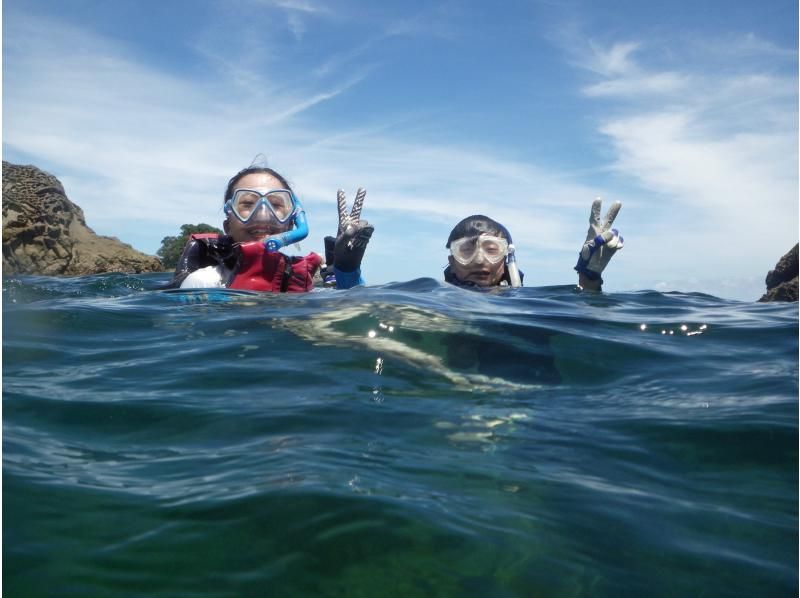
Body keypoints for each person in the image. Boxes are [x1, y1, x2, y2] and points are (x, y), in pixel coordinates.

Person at [165, 160, 373, 291]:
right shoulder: (203, 283)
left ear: (292, 223)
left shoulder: (310, 281)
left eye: (275, 204)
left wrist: (347, 272)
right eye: (247, 204)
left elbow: (352, 321)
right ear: (227, 225)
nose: (263, 216)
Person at [444, 199, 623, 290]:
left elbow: (582, 327)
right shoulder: (434, 302)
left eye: (491, 249)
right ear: (452, 262)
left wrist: (589, 282)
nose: (480, 260)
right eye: (466, 250)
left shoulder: (527, 305)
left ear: (506, 257)